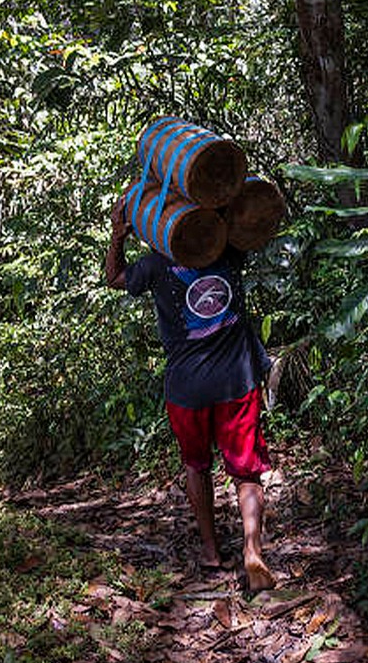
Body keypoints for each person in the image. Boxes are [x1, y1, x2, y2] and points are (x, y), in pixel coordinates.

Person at [103, 193, 276, 592]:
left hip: (187, 387)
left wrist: (118, 234)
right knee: (247, 473)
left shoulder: (156, 265)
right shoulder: (228, 250)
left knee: (196, 465)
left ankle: (211, 552)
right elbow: (251, 221)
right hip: (237, 380)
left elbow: (114, 278)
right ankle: (253, 551)